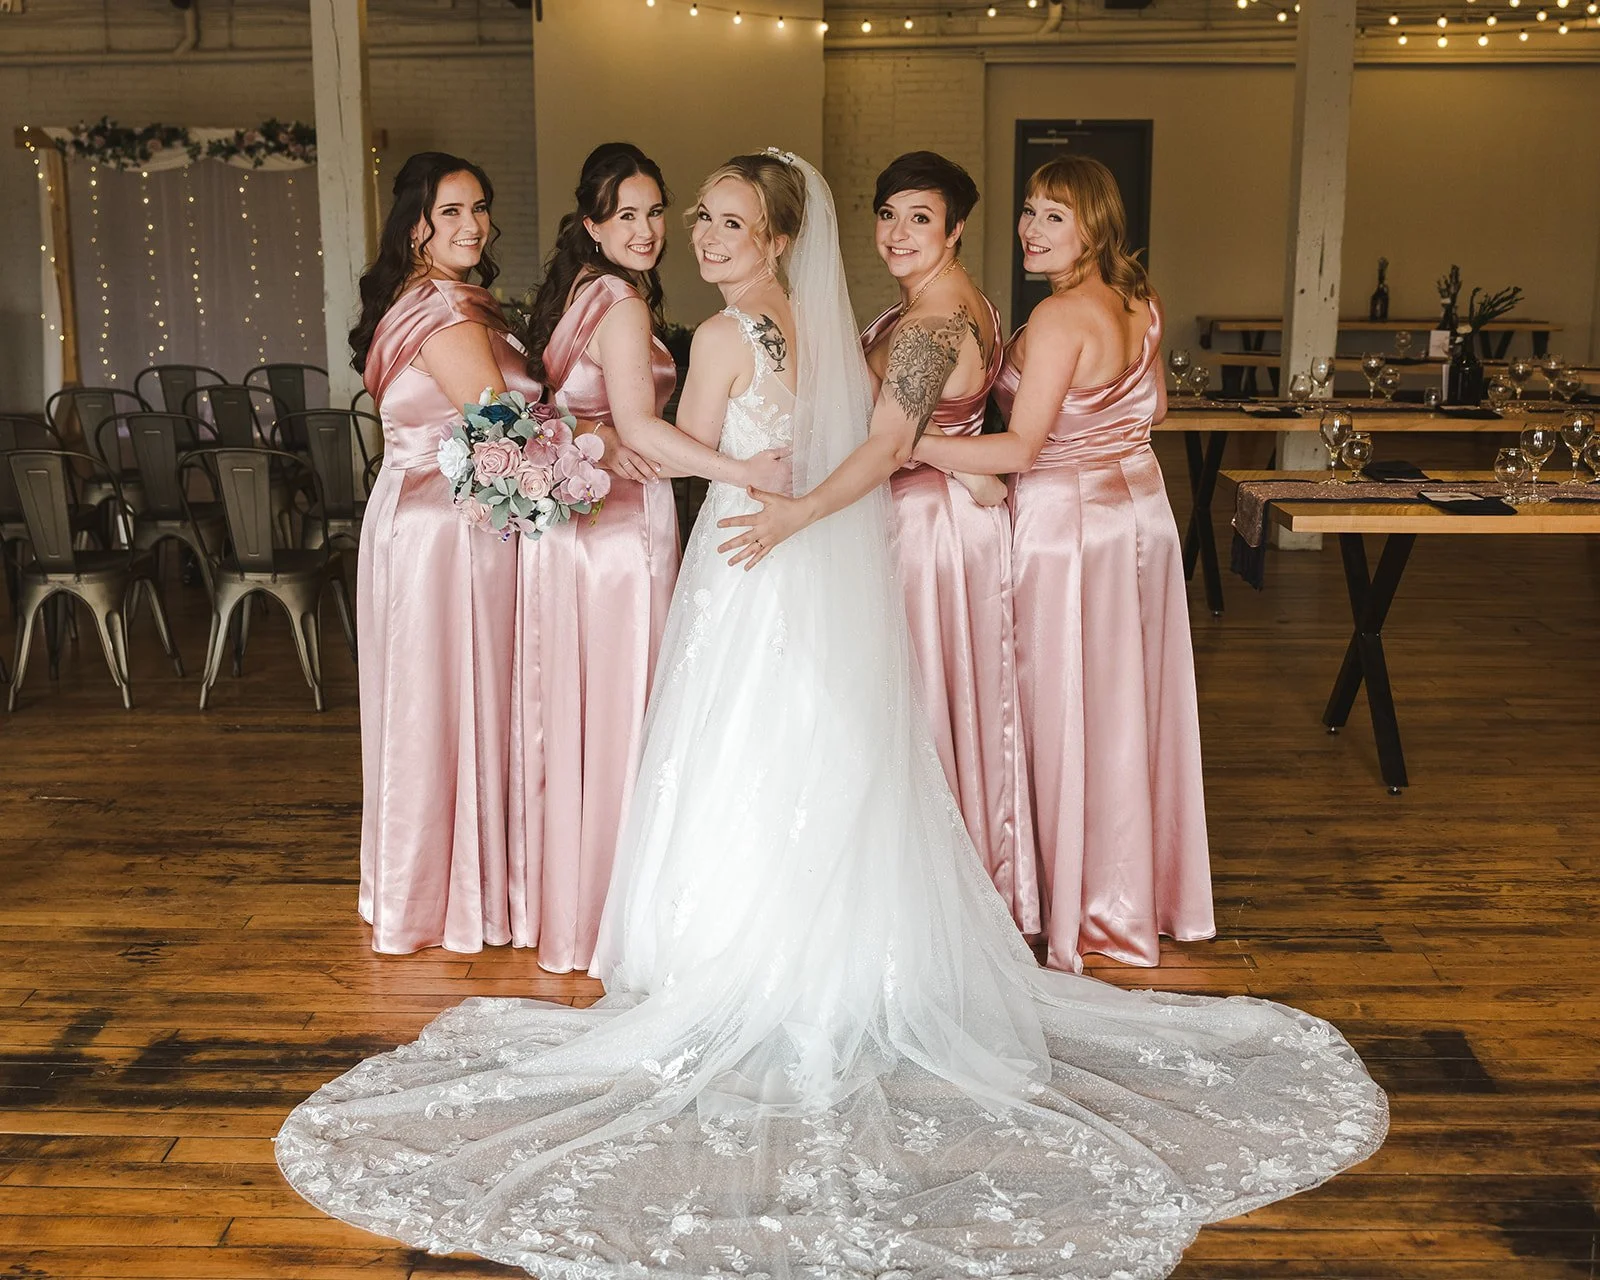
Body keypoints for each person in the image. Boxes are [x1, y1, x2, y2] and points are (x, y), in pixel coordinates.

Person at [279, 152, 1385, 1278]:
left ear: (773, 240)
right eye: (694, 221)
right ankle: (838, 934)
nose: (702, 240)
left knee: (740, 743)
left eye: (724, 224)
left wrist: (683, 461)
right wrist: (934, 478)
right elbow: (879, 441)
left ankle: (734, 942)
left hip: (755, 548)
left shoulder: (729, 339)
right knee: (822, 736)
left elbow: (673, 444)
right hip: (820, 553)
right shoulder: (826, 333)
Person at [916, 155, 1216, 973]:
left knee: (1058, 704)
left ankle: (1071, 898)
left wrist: (906, 440)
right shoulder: (1141, 303)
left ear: (1094, 223)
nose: (1030, 229)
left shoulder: (1056, 322)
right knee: (1124, 700)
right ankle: (1130, 892)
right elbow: (1152, 408)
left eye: (1053, 214)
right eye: (1027, 211)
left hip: (1069, 525)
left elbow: (1017, 448)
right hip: (1142, 514)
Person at [512, 143, 789, 974]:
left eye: (655, 211)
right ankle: (615, 910)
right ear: (593, 224)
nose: (648, 229)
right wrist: (743, 470)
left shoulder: (581, 295)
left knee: (580, 710)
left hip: (575, 527)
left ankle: (579, 904)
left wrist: (592, 432)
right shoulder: (623, 305)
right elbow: (638, 430)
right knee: (627, 711)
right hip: (620, 530)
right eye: (625, 215)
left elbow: (574, 410)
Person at [351, 153, 537, 955]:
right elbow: (502, 430)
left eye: (480, 207)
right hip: (452, 526)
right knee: (454, 698)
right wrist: (601, 442)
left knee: (425, 701)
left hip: (411, 513)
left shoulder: (421, 301)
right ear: (415, 224)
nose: (474, 224)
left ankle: (417, 883)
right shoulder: (447, 314)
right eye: (452, 211)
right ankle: (460, 895)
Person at [860, 150, 1036, 935]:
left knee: (925, 702)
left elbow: (887, 441)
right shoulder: (959, 302)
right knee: (947, 698)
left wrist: (952, 464)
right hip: (949, 514)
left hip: (926, 529)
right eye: (889, 214)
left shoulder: (933, 320)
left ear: (956, 230)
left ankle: (931, 901)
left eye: (920, 218)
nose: (898, 232)